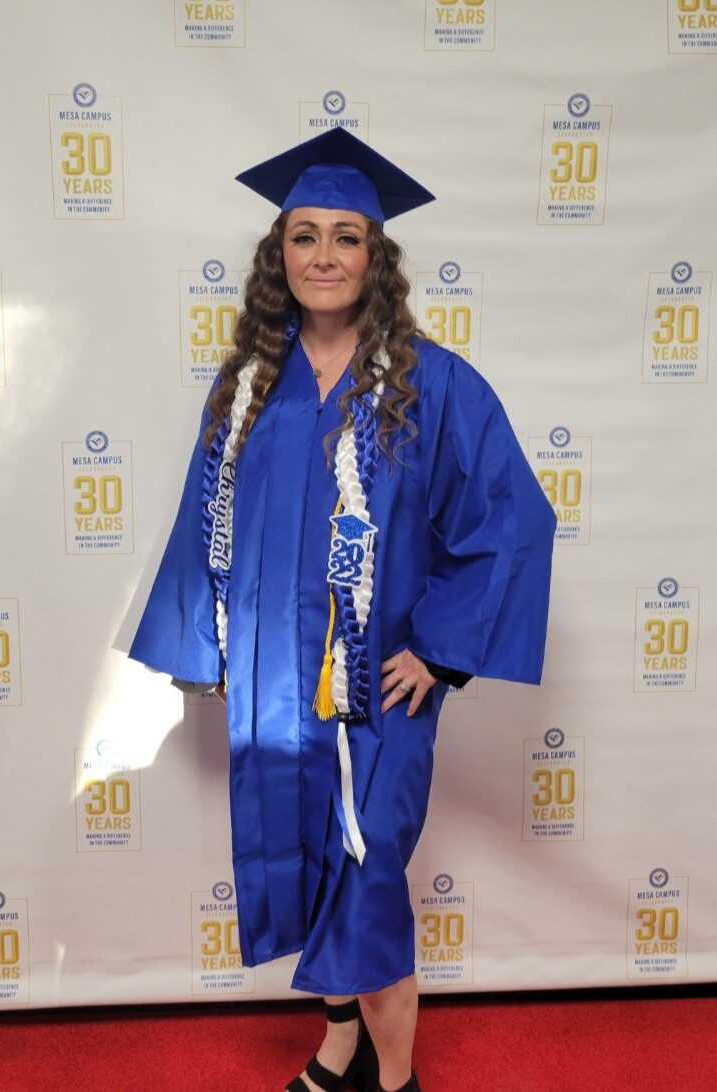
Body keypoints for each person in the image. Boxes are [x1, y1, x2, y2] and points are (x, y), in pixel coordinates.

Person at [129, 127, 556, 1092]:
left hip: (376, 692)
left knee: (367, 878)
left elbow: (510, 516)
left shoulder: (431, 383)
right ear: (278, 255)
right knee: (308, 868)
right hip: (276, 684)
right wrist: (209, 646)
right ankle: (336, 1047)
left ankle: (394, 1079)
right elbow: (206, 522)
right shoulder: (248, 386)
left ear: (376, 258)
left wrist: (440, 652)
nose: (325, 255)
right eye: (305, 236)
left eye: (346, 237)